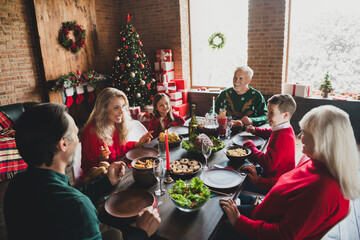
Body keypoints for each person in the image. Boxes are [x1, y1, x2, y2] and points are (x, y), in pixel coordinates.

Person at [4, 103, 161, 240]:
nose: (78, 140)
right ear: (63, 144)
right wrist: (142, 233)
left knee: (113, 234)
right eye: (75, 134)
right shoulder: (78, 207)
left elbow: (65, 196)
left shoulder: (16, 185)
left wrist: (107, 181)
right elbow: (72, 203)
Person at [219, 105, 360, 239]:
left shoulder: (322, 189)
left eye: (304, 132)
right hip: (261, 215)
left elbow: (283, 236)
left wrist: (239, 221)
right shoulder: (316, 161)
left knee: (210, 227)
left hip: (260, 232)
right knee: (219, 207)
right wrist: (259, 182)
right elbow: (287, 186)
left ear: (322, 139)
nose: (299, 137)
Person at [81, 87, 153, 176]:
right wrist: (100, 159)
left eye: (123, 106)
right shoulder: (90, 132)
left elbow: (121, 150)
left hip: (118, 173)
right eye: (116, 108)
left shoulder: (116, 123)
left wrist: (138, 144)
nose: (122, 112)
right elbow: (85, 167)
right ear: (104, 109)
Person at [242, 93, 297, 193]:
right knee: (243, 169)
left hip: (273, 185)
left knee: (239, 181)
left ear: (285, 115)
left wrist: (251, 147)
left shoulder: (282, 137)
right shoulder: (285, 128)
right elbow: (271, 132)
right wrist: (255, 130)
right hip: (272, 175)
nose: (267, 115)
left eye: (271, 113)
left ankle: (244, 201)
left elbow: (268, 164)